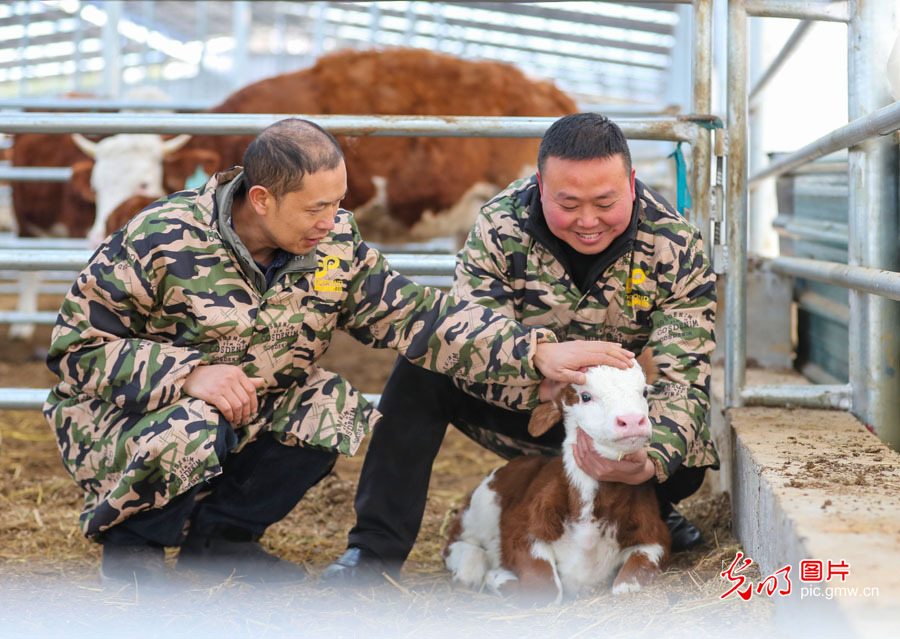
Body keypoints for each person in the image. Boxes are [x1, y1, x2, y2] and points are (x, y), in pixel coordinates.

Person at [43, 118, 634, 589]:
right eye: (316, 209)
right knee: (200, 418)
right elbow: (76, 349)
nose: (332, 222)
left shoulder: (333, 244)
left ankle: (221, 545)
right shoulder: (162, 236)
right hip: (127, 420)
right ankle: (135, 550)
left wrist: (536, 352)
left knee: (332, 405)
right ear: (262, 199)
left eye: (338, 204)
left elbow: (419, 317)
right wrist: (190, 373)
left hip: (245, 405)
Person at [322, 113, 719, 584]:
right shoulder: (500, 224)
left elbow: (684, 380)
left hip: (615, 422)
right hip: (526, 402)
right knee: (419, 369)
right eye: (567, 203)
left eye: (605, 201)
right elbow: (466, 333)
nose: (588, 221)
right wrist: (539, 363)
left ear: (631, 183)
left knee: (687, 453)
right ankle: (374, 551)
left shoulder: (676, 244)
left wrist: (649, 462)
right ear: (540, 185)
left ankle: (646, 504)